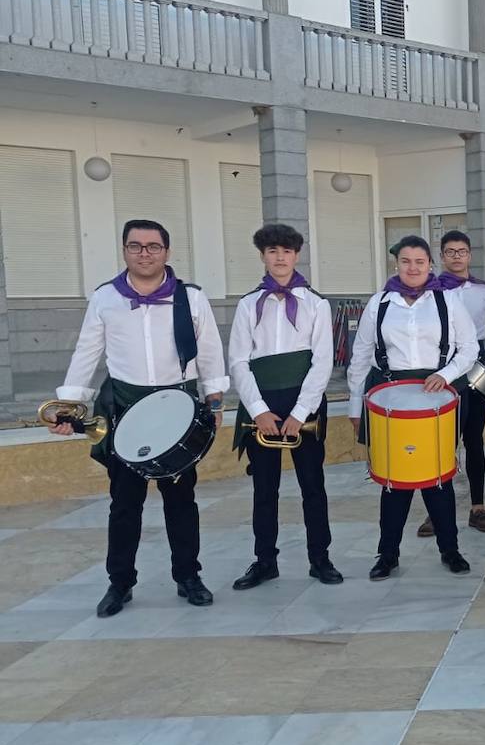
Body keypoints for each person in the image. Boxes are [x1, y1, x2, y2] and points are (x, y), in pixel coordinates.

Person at [51, 219, 228, 617]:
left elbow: (211, 351)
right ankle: (120, 583)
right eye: (136, 246)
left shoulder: (191, 298)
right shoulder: (105, 299)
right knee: (124, 504)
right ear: (125, 251)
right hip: (125, 408)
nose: (144, 253)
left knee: (181, 501)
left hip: (178, 408)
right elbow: (86, 354)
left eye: (152, 246)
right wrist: (70, 404)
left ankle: (188, 576)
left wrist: (214, 402)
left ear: (167, 251)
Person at [347, 236, 478, 581]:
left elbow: (469, 349)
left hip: (439, 395)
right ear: (396, 264)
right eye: (406, 261)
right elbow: (360, 356)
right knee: (394, 480)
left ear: (430, 265)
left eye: (420, 262)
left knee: (439, 477)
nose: (413, 268)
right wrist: (352, 405)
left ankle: (450, 549)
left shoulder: (447, 301)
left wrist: (445, 374)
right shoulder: (379, 303)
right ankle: (387, 554)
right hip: (389, 396)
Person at [228, 224, 339, 590]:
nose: (280, 258)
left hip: (302, 402)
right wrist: (258, 409)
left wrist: (300, 412)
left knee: (313, 485)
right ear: (262, 255)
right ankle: (264, 561)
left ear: (297, 255)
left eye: (287, 251)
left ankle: (320, 558)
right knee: (264, 488)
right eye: (273, 251)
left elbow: (323, 361)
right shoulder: (248, 304)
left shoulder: (316, 303)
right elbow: (239, 362)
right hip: (263, 402)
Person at [414, 229, 485, 538]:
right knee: (442, 440)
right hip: (441, 369)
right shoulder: (427, 292)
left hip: (476, 370)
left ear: (470, 255)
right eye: (450, 252)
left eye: (462, 251)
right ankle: (436, 511)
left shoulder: (484, 292)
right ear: (442, 257)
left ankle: (478, 507)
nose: (457, 256)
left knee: (473, 439)